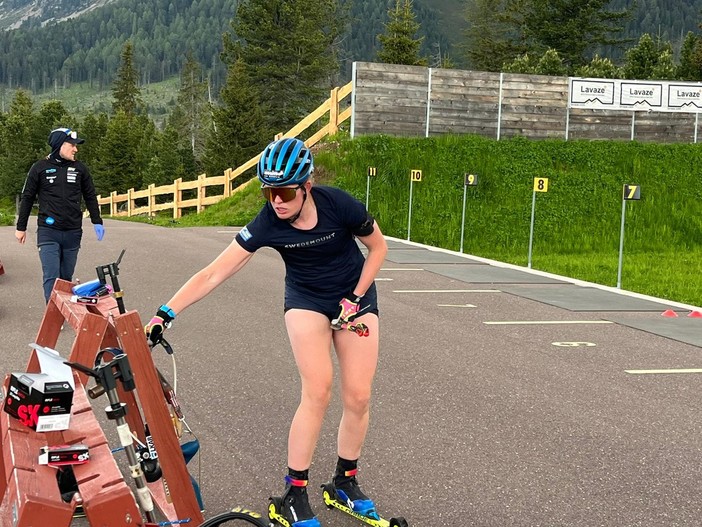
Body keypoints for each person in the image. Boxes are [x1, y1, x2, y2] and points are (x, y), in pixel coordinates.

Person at [145, 137, 388, 527]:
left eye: (285, 192)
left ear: (306, 186)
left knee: (359, 395)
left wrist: (355, 298)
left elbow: (378, 249)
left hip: (355, 296)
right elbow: (214, 271)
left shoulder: (339, 204)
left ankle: (344, 482)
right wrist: (165, 313)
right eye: (269, 191)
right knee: (319, 389)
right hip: (306, 301)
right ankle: (293, 494)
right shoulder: (267, 222)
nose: (276, 200)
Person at [15, 127, 105, 303]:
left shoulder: (80, 169)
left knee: (65, 277)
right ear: (59, 146)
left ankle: (64, 308)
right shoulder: (39, 168)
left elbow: (90, 196)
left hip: (72, 232)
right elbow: (27, 197)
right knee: (51, 275)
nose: (75, 149)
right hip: (49, 231)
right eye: (72, 145)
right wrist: (21, 227)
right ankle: (54, 314)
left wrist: (97, 222)